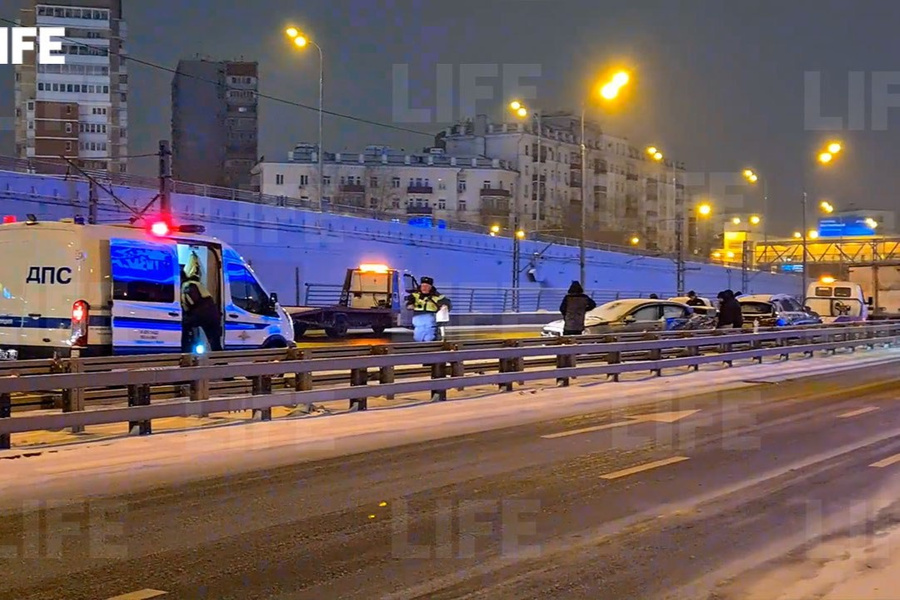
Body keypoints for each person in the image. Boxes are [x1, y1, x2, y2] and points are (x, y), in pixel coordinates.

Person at [181, 261, 224, 353]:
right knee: (215, 342)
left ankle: (187, 352)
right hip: (213, 314)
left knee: (185, 326)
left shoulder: (187, 286)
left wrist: (186, 313)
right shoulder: (197, 284)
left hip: (201, 314)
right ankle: (220, 361)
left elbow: (191, 302)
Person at [406, 276, 451, 342]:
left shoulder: (437, 296)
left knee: (429, 338)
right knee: (418, 338)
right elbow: (408, 304)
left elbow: (447, 303)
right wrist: (409, 306)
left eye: (427, 286)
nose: (424, 288)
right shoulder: (415, 295)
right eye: (423, 286)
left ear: (430, 287)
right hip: (418, 321)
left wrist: (445, 306)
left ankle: (430, 349)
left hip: (431, 320)